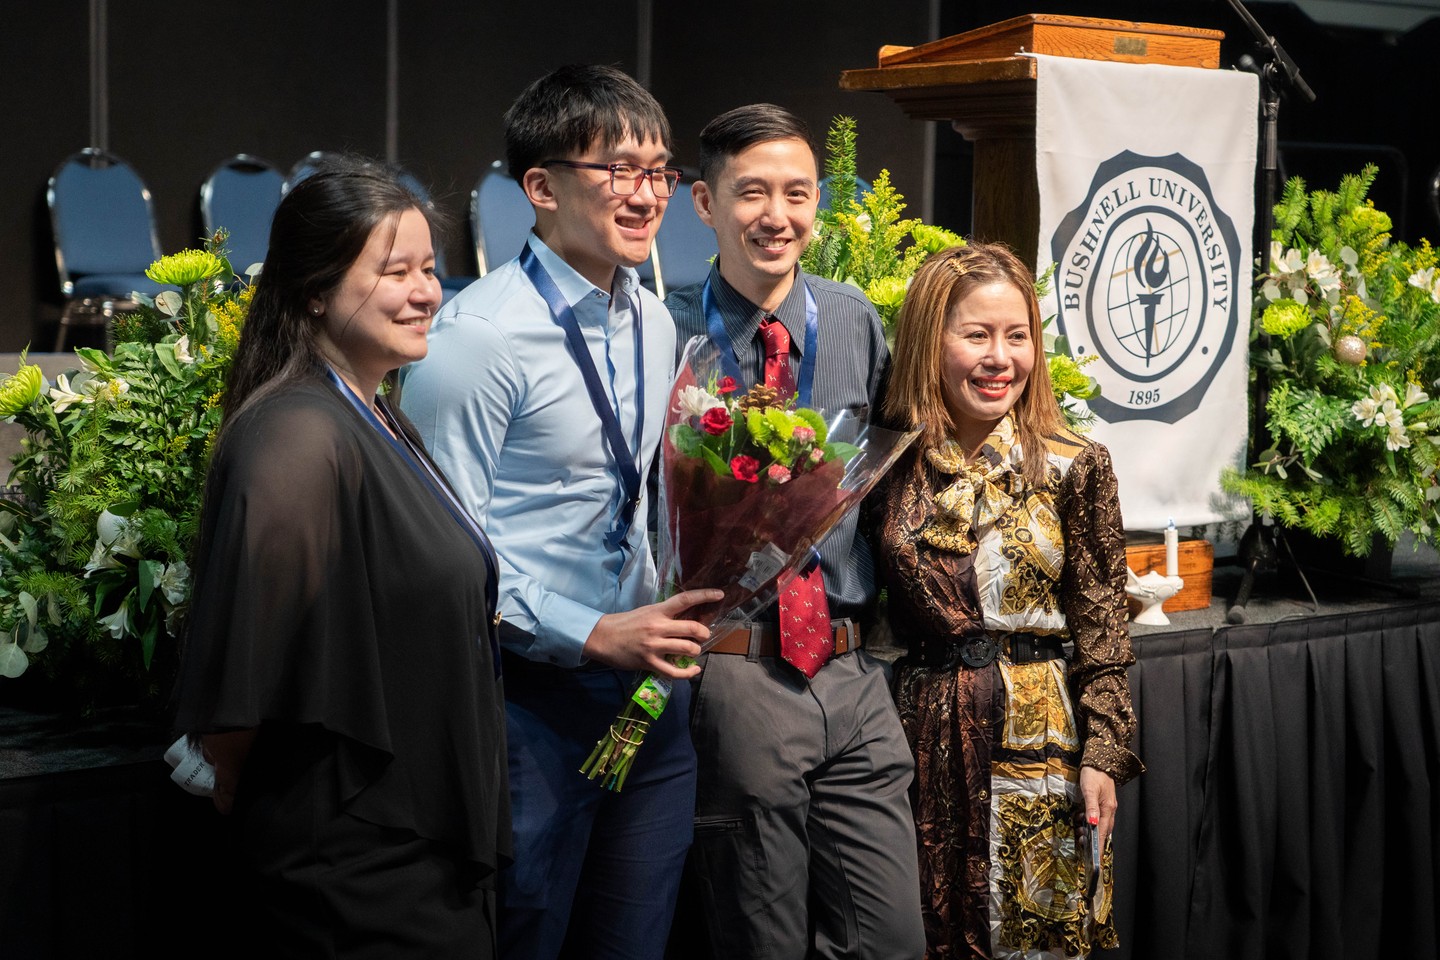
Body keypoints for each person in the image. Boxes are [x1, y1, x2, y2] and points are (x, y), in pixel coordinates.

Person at [398, 66, 719, 960]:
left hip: (652, 695)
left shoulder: (656, 321)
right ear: (539, 187)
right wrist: (588, 634)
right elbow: (443, 555)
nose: (647, 193)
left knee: (635, 938)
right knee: (528, 935)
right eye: (619, 169)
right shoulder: (476, 338)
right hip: (525, 701)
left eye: (659, 170)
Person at [173, 156, 511, 957]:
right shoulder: (298, 433)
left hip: (412, 837)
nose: (427, 290)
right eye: (395, 271)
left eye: (431, 268)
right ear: (316, 289)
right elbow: (244, 679)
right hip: (348, 865)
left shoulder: (378, 415)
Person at [664, 103, 926, 960]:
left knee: (888, 934)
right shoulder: (661, 327)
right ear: (703, 204)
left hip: (849, 668)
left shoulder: (851, 318)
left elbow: (884, 480)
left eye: (798, 194)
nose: (777, 216)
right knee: (759, 938)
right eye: (751, 194)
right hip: (735, 666)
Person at [870, 242, 1144, 958]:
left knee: (1032, 933)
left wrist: (1104, 754)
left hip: (1042, 733)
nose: (1001, 358)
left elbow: (1104, 629)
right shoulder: (889, 463)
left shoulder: (1074, 462)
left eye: (1017, 336)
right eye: (977, 335)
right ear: (932, 342)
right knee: (926, 931)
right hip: (919, 731)